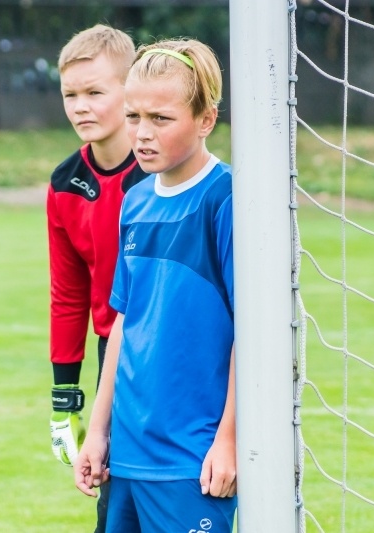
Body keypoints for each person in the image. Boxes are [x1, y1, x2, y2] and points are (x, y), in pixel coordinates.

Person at [74, 39, 237, 532]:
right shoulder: (137, 200)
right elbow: (125, 322)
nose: (142, 134)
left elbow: (253, 330)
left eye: (161, 119)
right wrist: (99, 430)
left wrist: (228, 438)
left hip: (192, 456)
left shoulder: (226, 198)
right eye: (133, 116)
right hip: (126, 452)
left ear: (206, 119)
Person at [47, 24, 148, 532]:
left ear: (129, 91)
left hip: (170, 349)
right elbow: (68, 296)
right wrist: (64, 402)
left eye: (94, 92)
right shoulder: (65, 184)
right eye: (70, 94)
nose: (80, 106)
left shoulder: (161, 174)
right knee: (114, 505)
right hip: (114, 355)